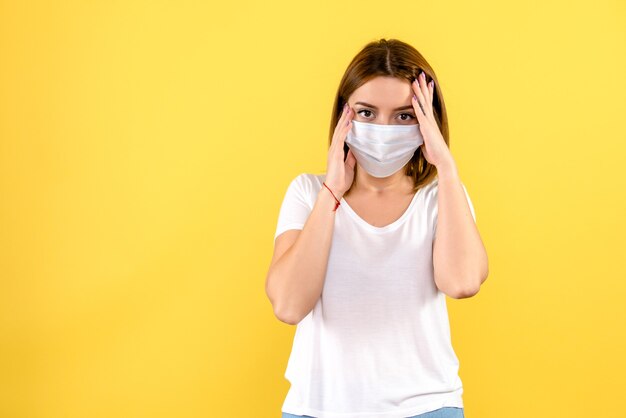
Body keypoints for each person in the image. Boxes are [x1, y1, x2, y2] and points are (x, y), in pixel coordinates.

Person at [265, 38, 489, 418]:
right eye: (366, 112)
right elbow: (288, 304)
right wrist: (332, 192)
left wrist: (447, 168)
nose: (384, 128)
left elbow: (463, 282)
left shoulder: (442, 197)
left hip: (426, 407)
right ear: (343, 116)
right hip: (318, 408)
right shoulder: (307, 193)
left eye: (404, 115)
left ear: (426, 123)